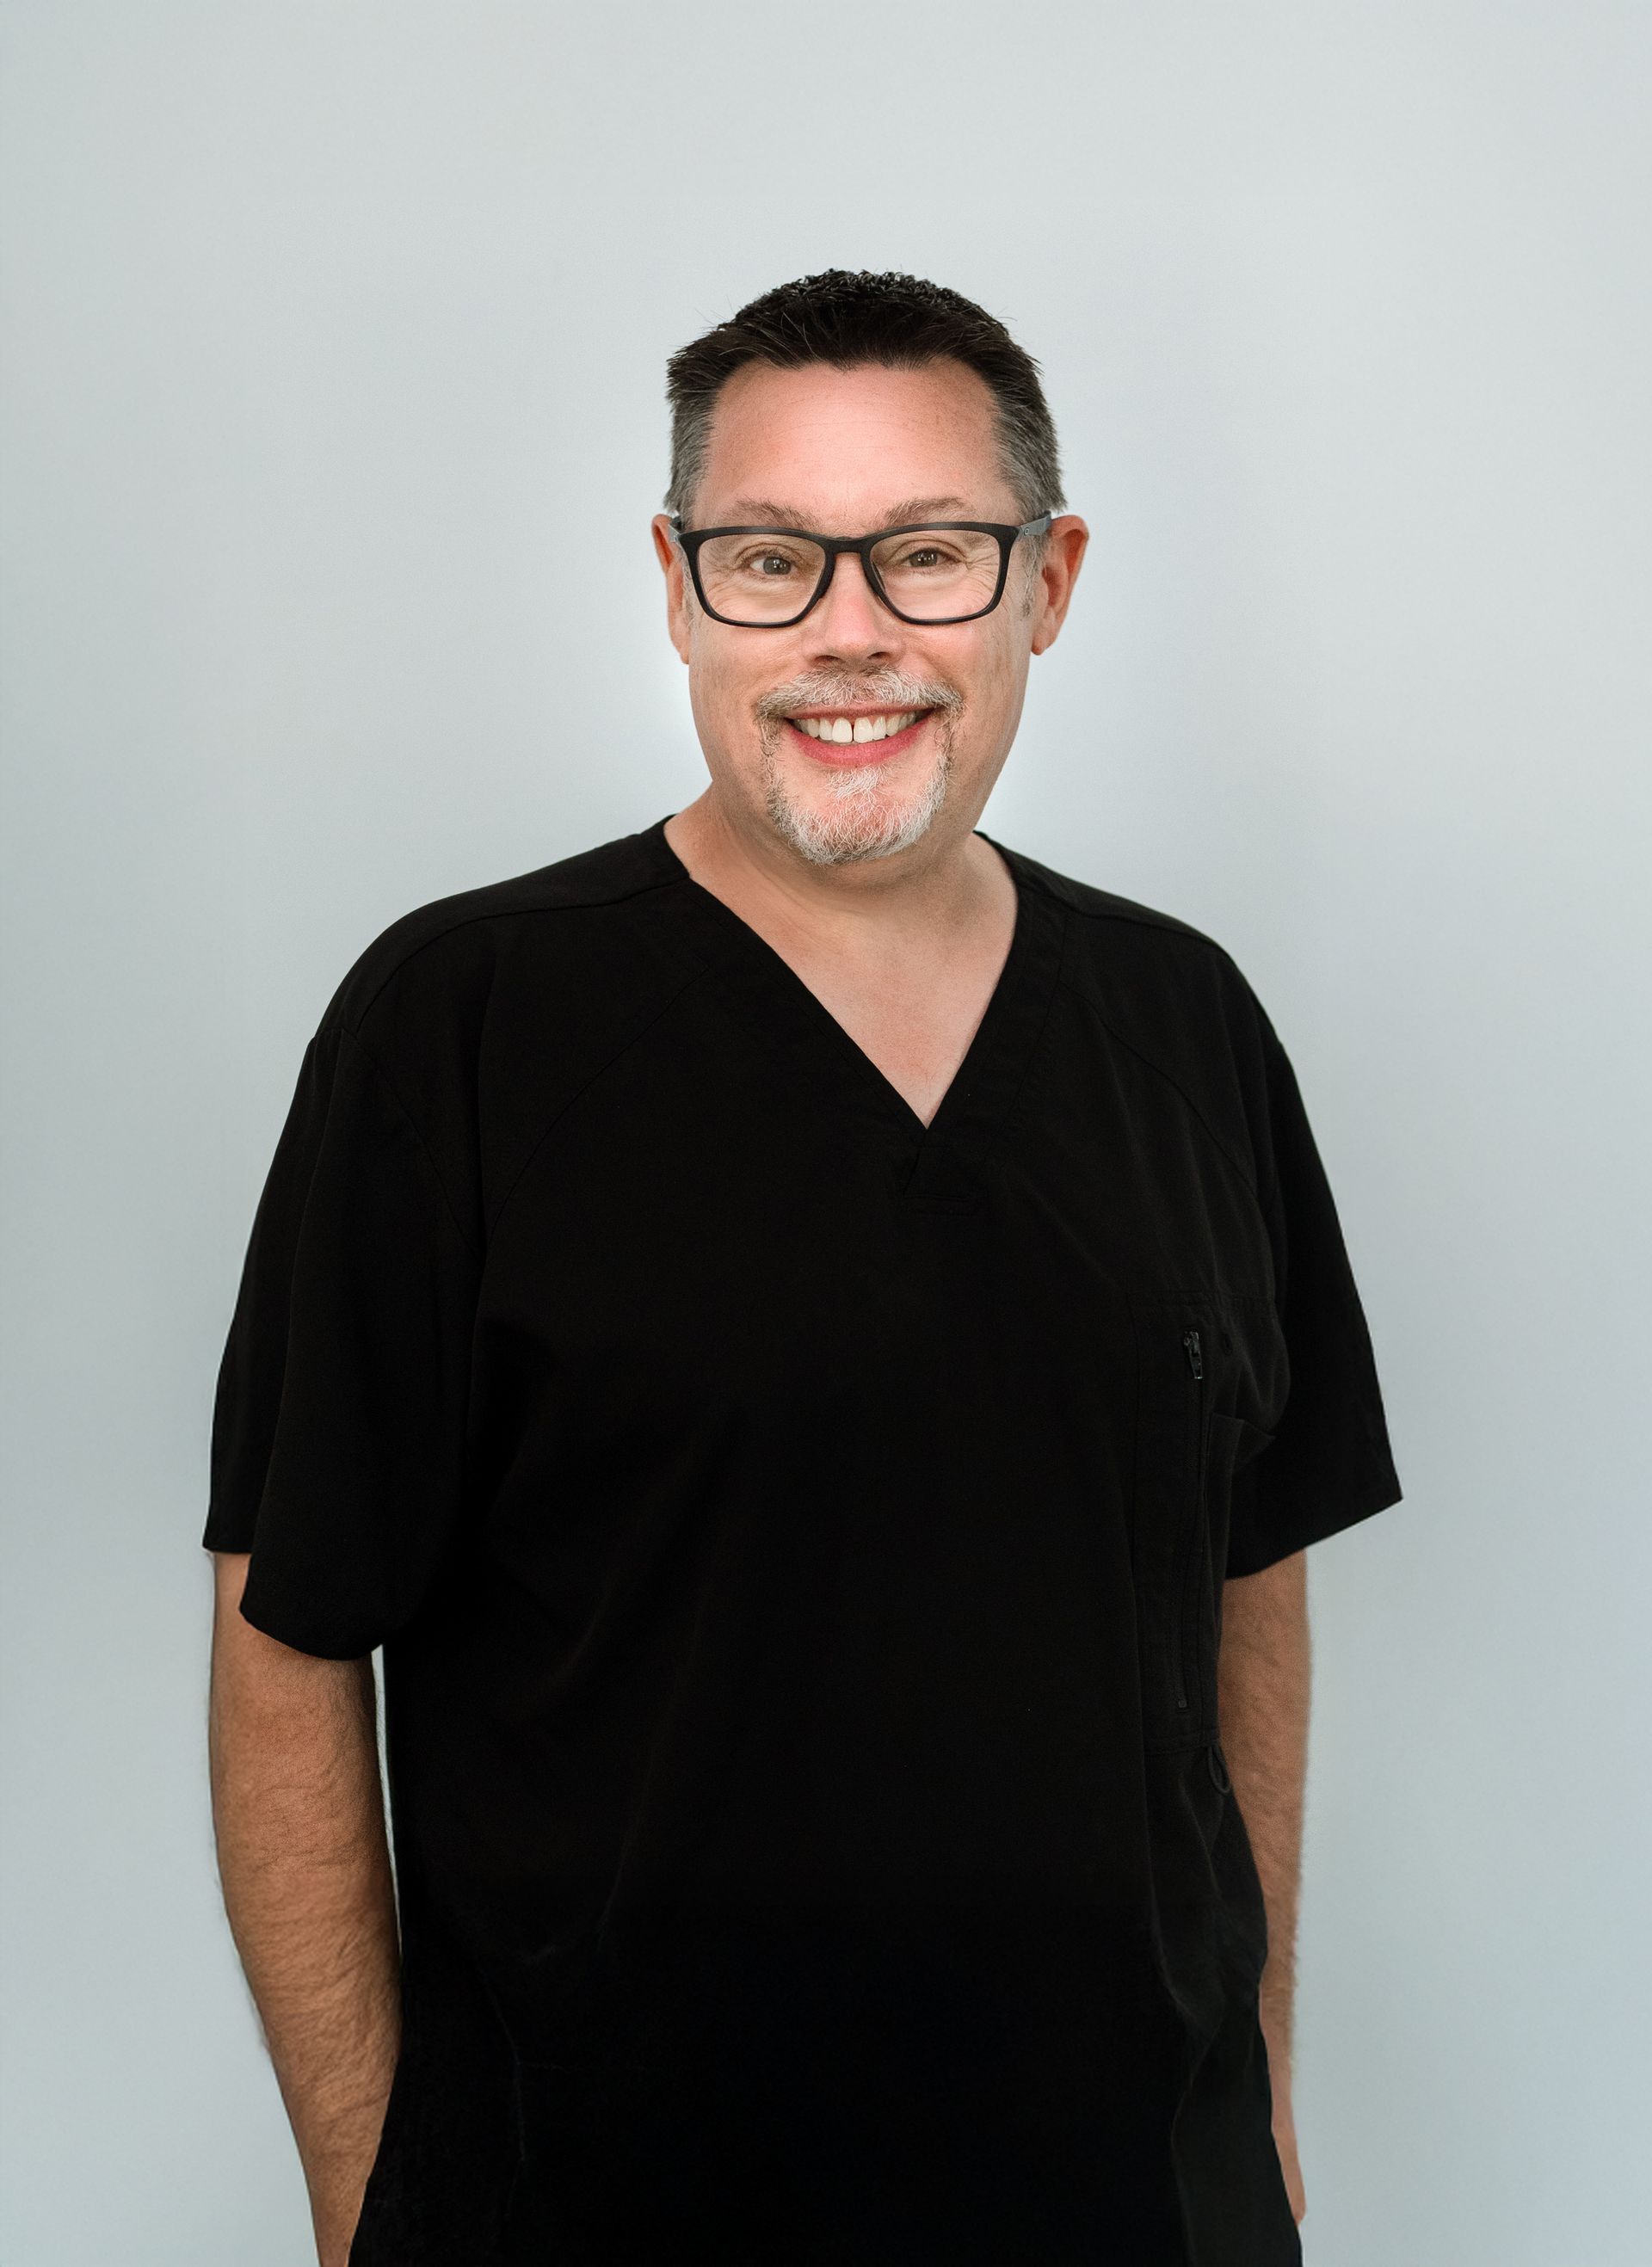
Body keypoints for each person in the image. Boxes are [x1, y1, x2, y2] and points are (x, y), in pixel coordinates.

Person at [203, 268, 1402, 2267]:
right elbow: (288, 1630)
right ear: (679, 591)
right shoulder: (458, 1031)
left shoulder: (1183, 1023)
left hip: (1132, 2204)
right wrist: (366, 2199)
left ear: (1047, 582)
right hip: (600, 2212)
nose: (852, 631)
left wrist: (1255, 2077)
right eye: (771, 559)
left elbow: (1247, 1569)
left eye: (928, 553)